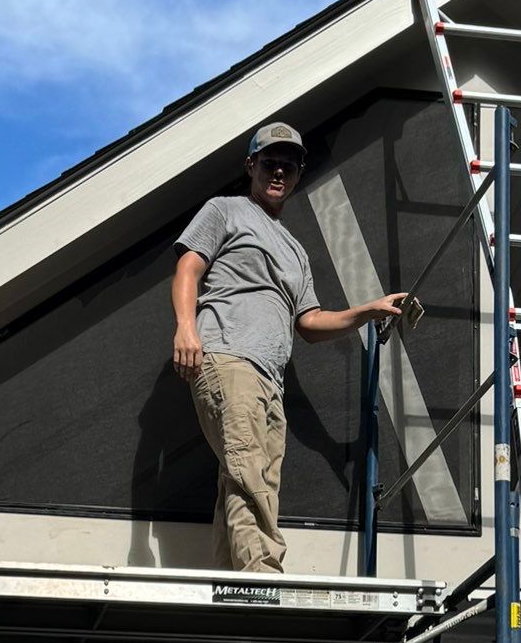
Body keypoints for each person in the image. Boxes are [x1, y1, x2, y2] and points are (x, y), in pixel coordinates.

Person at [172, 121, 405, 572]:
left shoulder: (296, 250)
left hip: (270, 381)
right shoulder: (225, 211)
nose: (278, 172)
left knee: (246, 478)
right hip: (228, 357)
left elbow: (311, 323)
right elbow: (187, 268)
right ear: (251, 166)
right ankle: (264, 576)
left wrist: (369, 310)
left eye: (289, 166)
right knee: (248, 468)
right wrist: (186, 327)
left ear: (298, 175)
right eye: (269, 163)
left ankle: (233, 582)